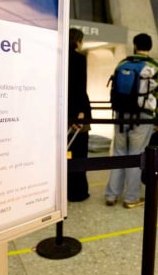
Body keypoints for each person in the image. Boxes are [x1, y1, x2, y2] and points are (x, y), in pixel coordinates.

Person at [105, 33, 158, 208]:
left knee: (118, 153)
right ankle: (131, 198)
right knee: (137, 155)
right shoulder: (154, 67)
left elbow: (114, 90)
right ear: (150, 47)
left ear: (134, 45)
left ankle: (111, 195)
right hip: (142, 117)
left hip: (120, 116)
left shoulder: (122, 64)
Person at [67, 28, 92, 202]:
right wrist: (80, 113)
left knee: (64, 154)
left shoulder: (57, 58)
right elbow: (80, 87)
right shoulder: (79, 58)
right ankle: (78, 192)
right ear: (78, 41)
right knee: (80, 153)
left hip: (61, 115)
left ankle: (64, 190)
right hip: (78, 115)